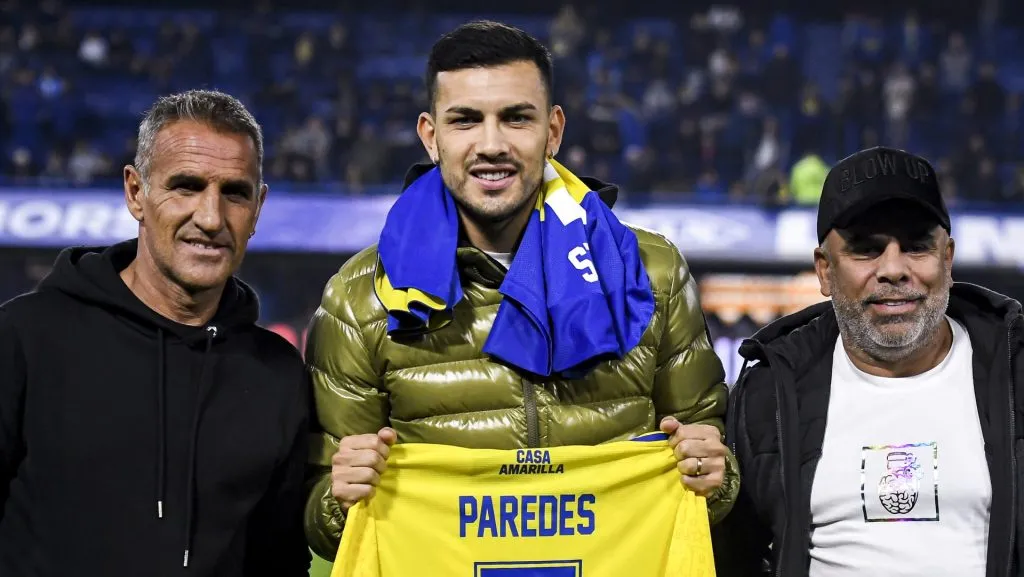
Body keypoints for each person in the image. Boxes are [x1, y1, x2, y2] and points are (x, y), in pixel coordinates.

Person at [303, 20, 739, 562]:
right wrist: (339, 500)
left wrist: (714, 474)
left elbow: (710, 475)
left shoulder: (648, 273)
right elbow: (324, 520)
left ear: (553, 130)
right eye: (466, 120)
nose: (491, 145)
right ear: (430, 135)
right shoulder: (360, 299)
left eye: (516, 118)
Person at [0, 90, 312, 576]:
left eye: (235, 192)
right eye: (186, 186)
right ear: (135, 192)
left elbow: (279, 559)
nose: (210, 218)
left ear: (258, 207)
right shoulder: (24, 337)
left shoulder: (276, 372)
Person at [715, 146, 1023, 577]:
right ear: (824, 271)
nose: (893, 269)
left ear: (947, 260)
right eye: (866, 250)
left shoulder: (1016, 375)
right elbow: (733, 556)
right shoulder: (767, 396)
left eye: (916, 246)